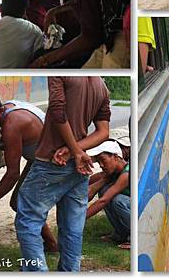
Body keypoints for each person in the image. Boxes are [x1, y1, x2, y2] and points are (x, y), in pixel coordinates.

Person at [15, 77, 111, 272]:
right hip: (78, 167)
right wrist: (75, 150)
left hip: (52, 161)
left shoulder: (60, 74)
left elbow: (58, 114)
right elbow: (103, 132)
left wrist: (73, 150)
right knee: (73, 227)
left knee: (28, 220)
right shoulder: (102, 86)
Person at [0, 91, 58, 252]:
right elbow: (21, 142)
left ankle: (42, 251)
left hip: (52, 162)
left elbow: (12, 174)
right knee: (20, 203)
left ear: (0, 111)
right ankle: (50, 244)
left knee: (23, 205)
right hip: (40, 160)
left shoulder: (12, 125)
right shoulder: (9, 108)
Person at [86, 141, 131, 249]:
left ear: (115, 157)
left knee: (117, 200)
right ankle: (120, 235)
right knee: (104, 190)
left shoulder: (127, 174)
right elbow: (87, 191)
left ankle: (135, 237)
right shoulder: (111, 173)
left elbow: (103, 201)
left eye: (103, 160)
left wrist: (80, 218)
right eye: (98, 161)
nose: (101, 165)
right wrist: (103, 180)